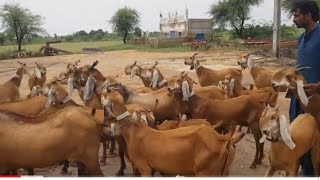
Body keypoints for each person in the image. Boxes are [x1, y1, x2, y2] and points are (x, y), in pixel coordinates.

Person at [290, 0, 320, 176]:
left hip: (316, 102)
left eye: (297, 15)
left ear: (309, 15)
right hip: (299, 99)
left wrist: (317, 87)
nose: (294, 19)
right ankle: (306, 170)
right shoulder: (301, 38)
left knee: (316, 139)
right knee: (299, 137)